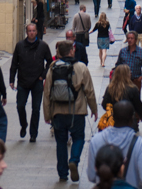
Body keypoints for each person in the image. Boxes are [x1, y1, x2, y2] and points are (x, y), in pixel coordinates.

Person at [44, 38, 98, 182]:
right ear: (72, 50)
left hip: (58, 112)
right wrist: (94, 109)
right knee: (78, 138)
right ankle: (73, 160)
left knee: (61, 142)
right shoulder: (81, 67)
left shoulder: (53, 67)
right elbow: (90, 91)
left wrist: (47, 113)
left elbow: (47, 92)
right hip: (77, 111)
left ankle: (62, 173)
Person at [88, 101, 142, 189]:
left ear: (113, 117)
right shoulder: (140, 144)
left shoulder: (96, 140)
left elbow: (92, 176)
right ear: (132, 119)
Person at [9, 22, 52, 142]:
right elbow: (14, 64)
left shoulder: (43, 46)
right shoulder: (20, 46)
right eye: (29, 31)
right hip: (23, 81)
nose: (31, 33)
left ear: (36, 32)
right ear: (26, 32)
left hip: (37, 82)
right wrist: (12, 79)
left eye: (33, 31)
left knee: (36, 108)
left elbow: (50, 62)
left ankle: (33, 133)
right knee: (20, 105)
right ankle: (24, 124)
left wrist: (43, 75)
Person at [101, 65, 142, 131]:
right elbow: (138, 106)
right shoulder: (133, 89)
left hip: (114, 122)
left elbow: (104, 104)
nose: (131, 73)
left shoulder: (110, 88)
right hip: (129, 122)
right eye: (129, 72)